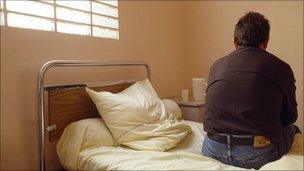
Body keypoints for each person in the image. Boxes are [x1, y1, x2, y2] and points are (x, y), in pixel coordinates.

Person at [201, 11, 301, 169]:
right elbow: (290, 117)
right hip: (257, 153)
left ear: (235, 40)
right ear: (266, 42)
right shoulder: (281, 67)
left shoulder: (216, 65)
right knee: (293, 130)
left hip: (212, 148)